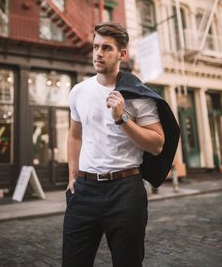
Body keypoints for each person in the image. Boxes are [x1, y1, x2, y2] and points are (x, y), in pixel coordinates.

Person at [62, 21, 165, 267]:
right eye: (96, 47)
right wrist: (72, 175)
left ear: (122, 54)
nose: (98, 53)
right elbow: (75, 135)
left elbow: (157, 144)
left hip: (125, 191)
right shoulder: (79, 91)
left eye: (106, 48)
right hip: (84, 190)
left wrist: (123, 118)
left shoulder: (138, 94)